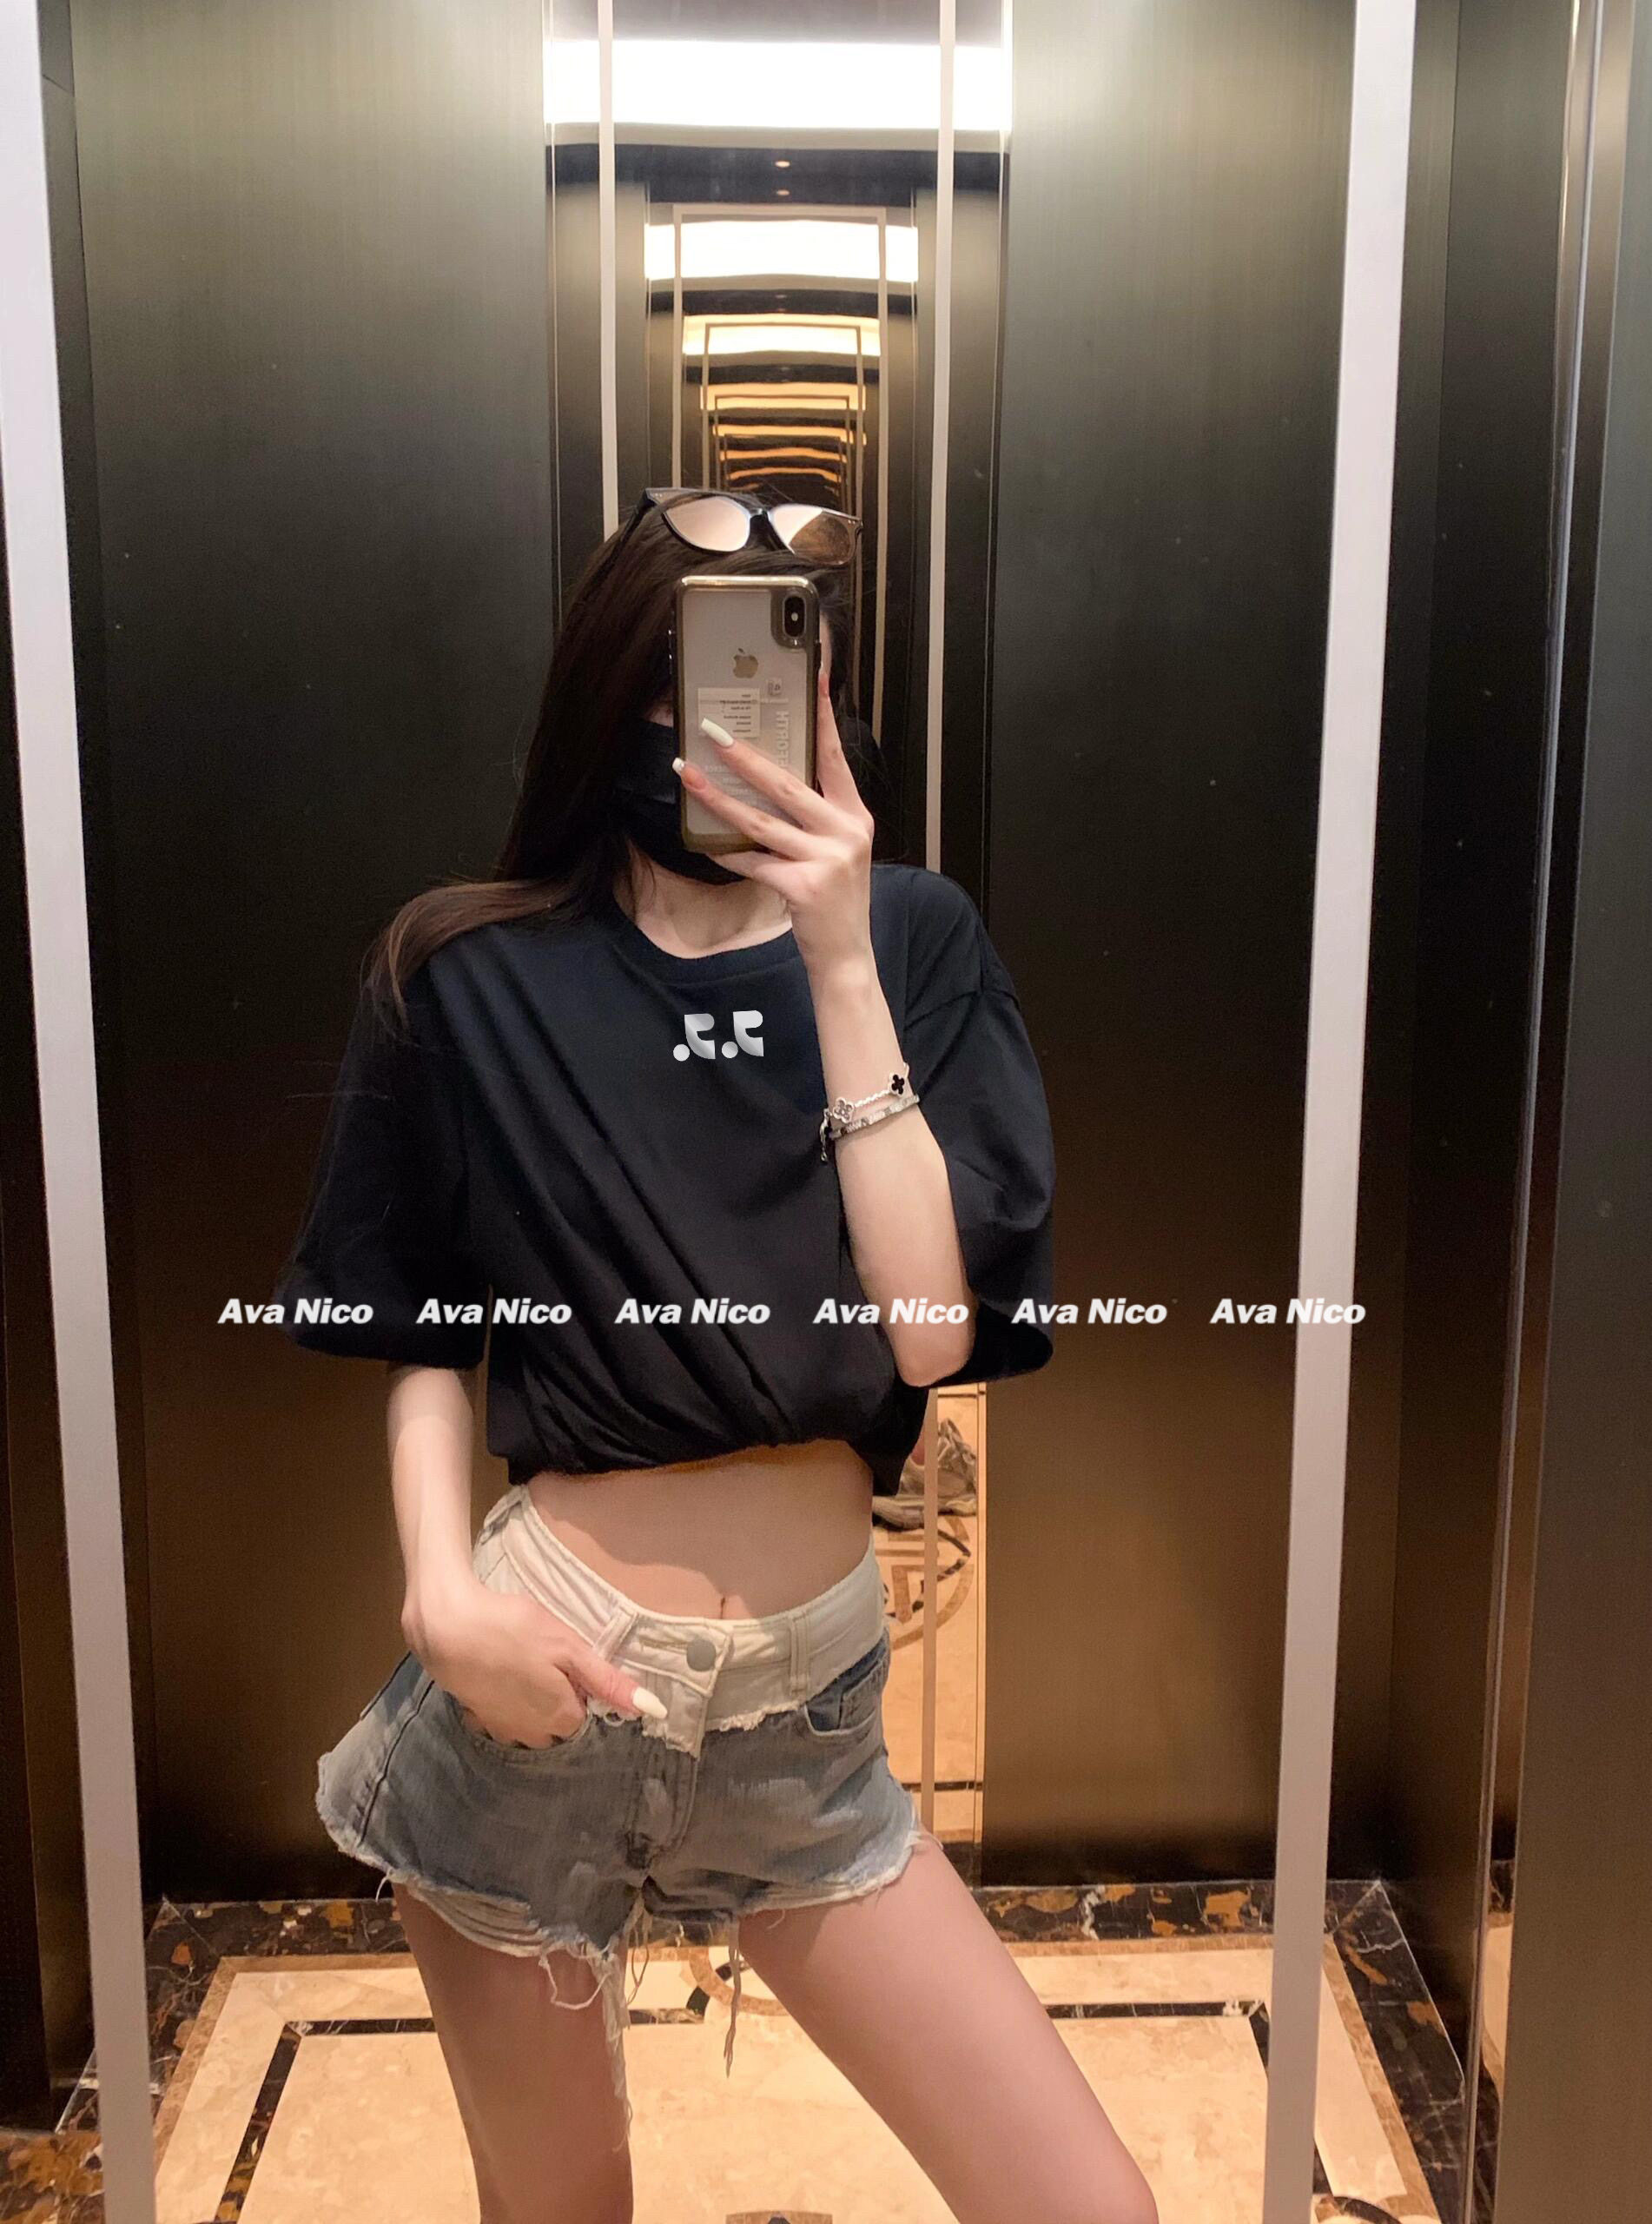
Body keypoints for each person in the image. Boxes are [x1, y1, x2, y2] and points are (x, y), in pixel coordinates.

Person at [275, 489, 1157, 2224]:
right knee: (561, 2212)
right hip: (536, 1689)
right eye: (686, 670)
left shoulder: (913, 938)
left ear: (821, 688)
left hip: (803, 1727)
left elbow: (930, 1330)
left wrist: (837, 951)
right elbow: (424, 1325)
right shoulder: (463, 967)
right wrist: (438, 1597)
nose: (727, 717)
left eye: (772, 660)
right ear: (618, 685)